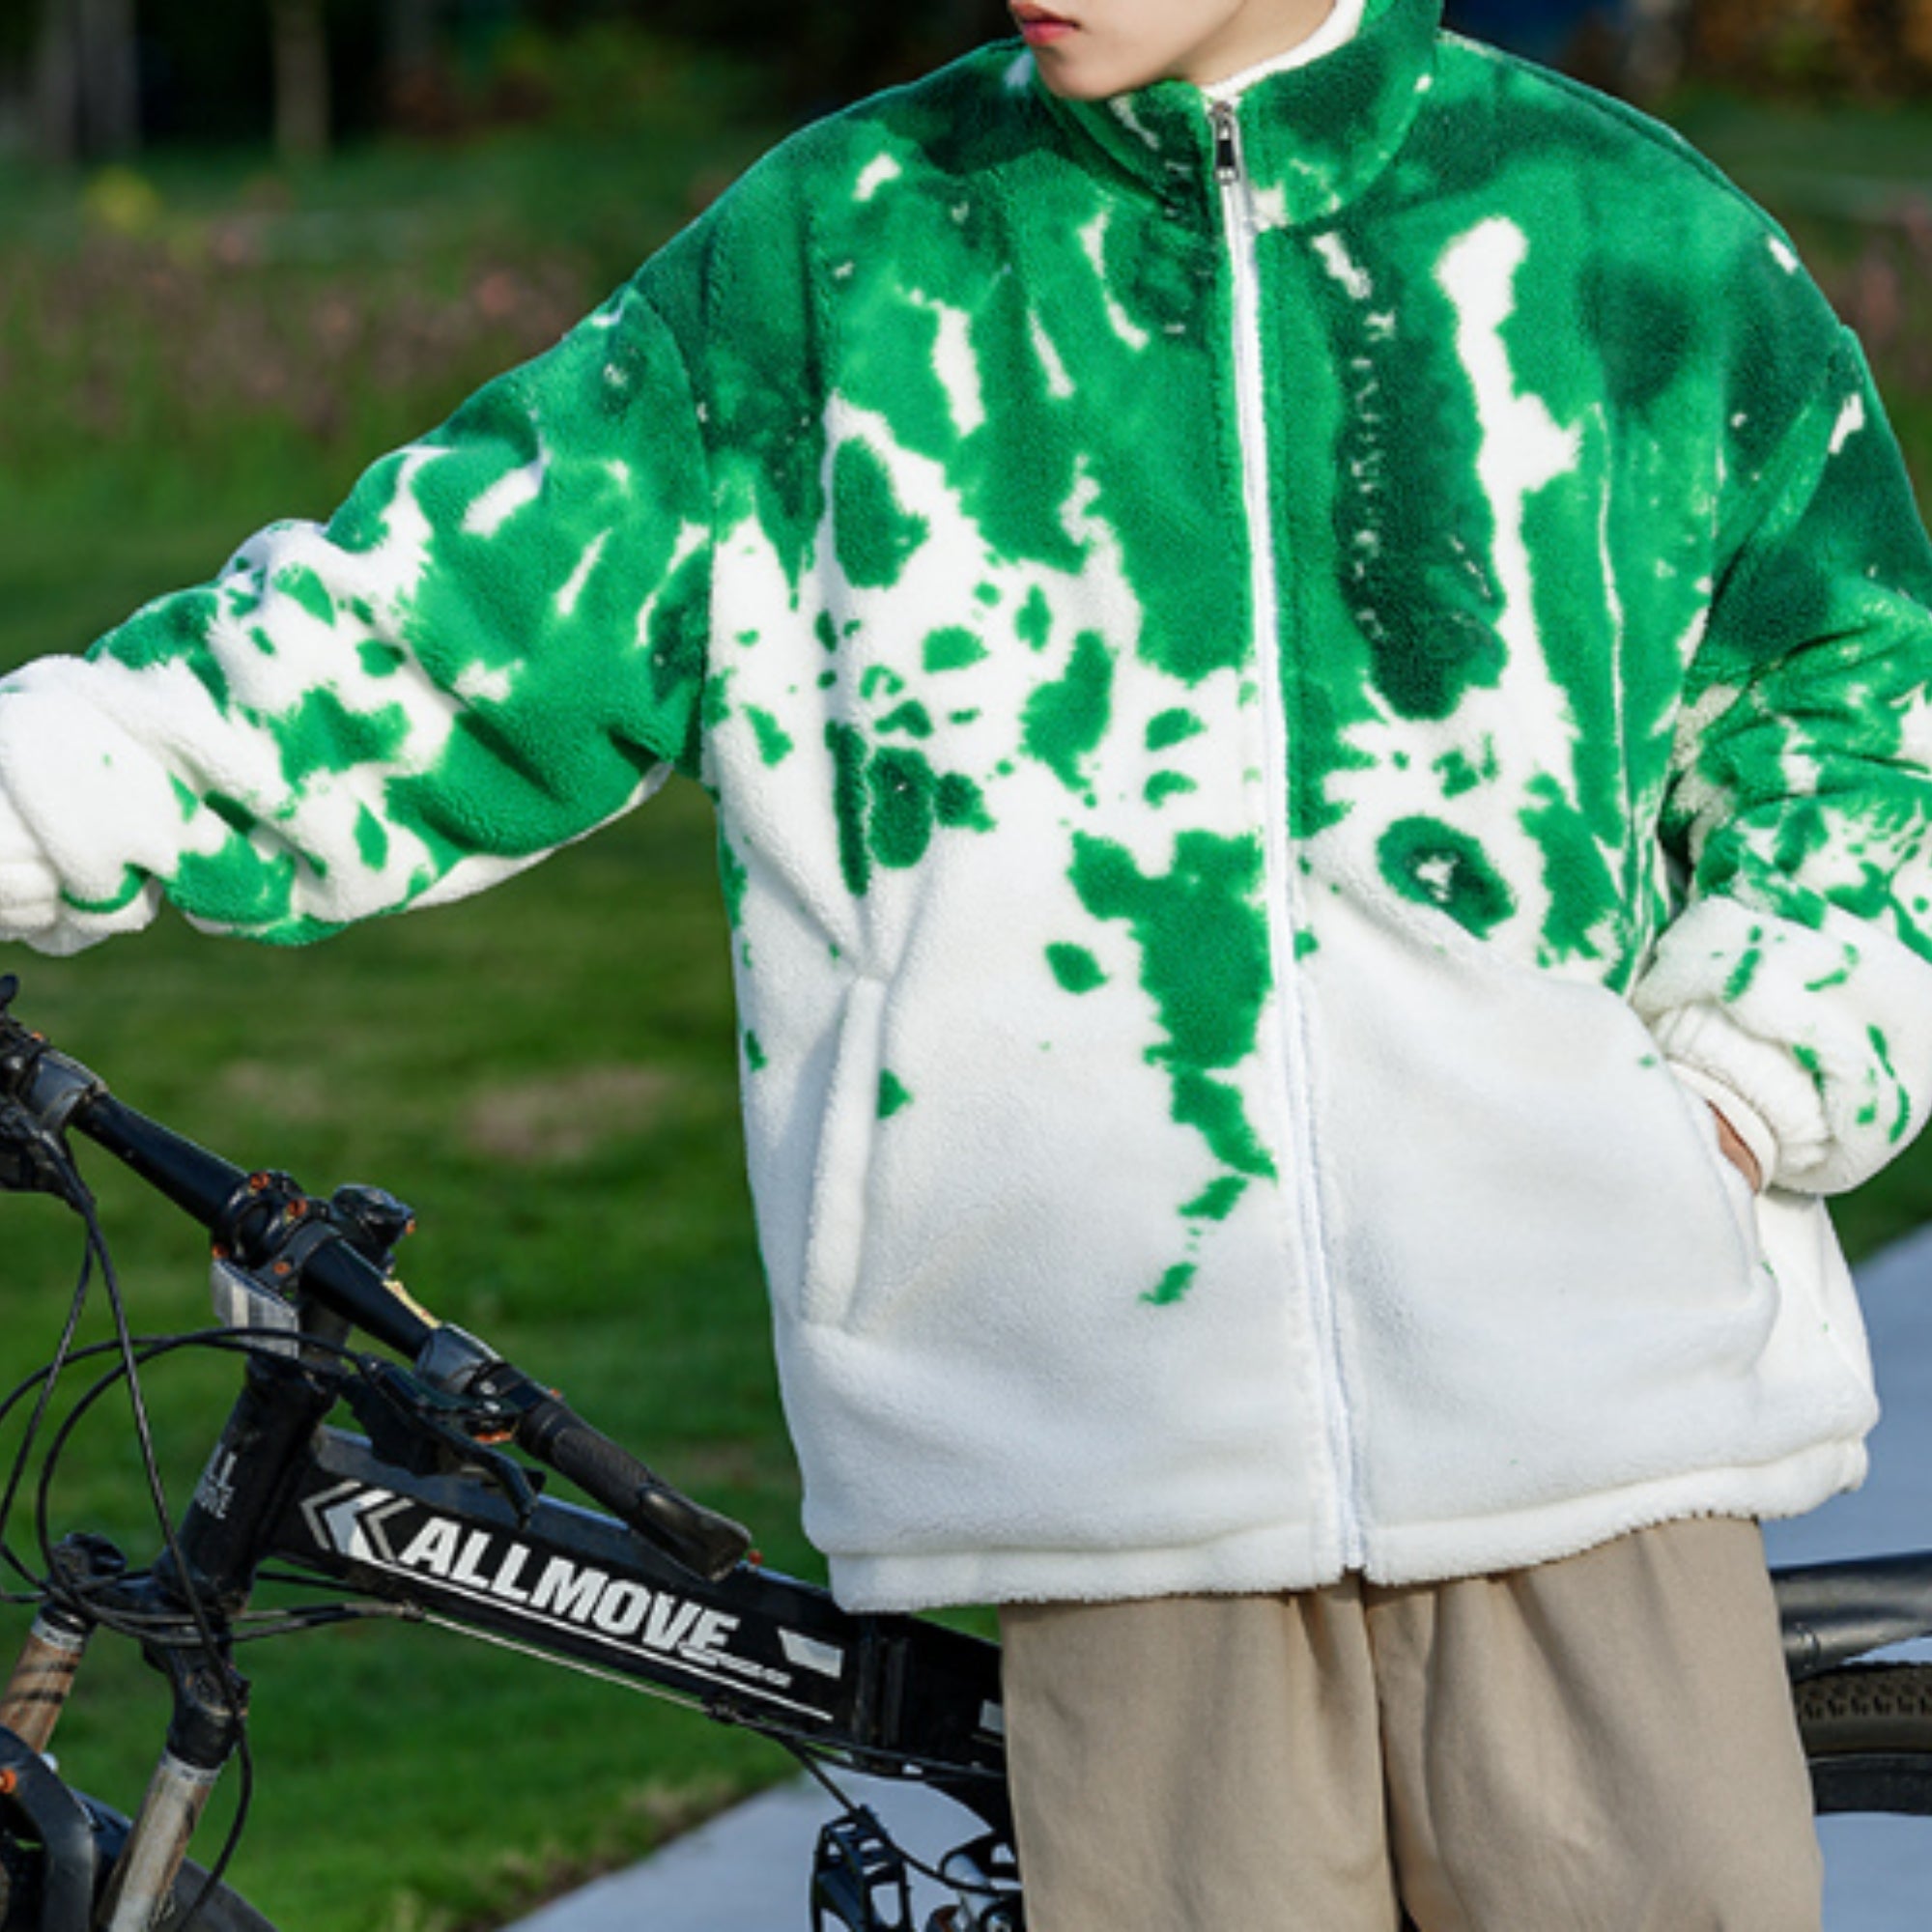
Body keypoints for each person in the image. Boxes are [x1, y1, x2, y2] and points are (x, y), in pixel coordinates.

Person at [3, 0, 1930, 1922]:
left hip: (1595, 1444)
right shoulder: (841, 258)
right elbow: (409, 646)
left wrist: (1738, 1105)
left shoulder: (1615, 239)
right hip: (1118, 1497)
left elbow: (1857, 715)